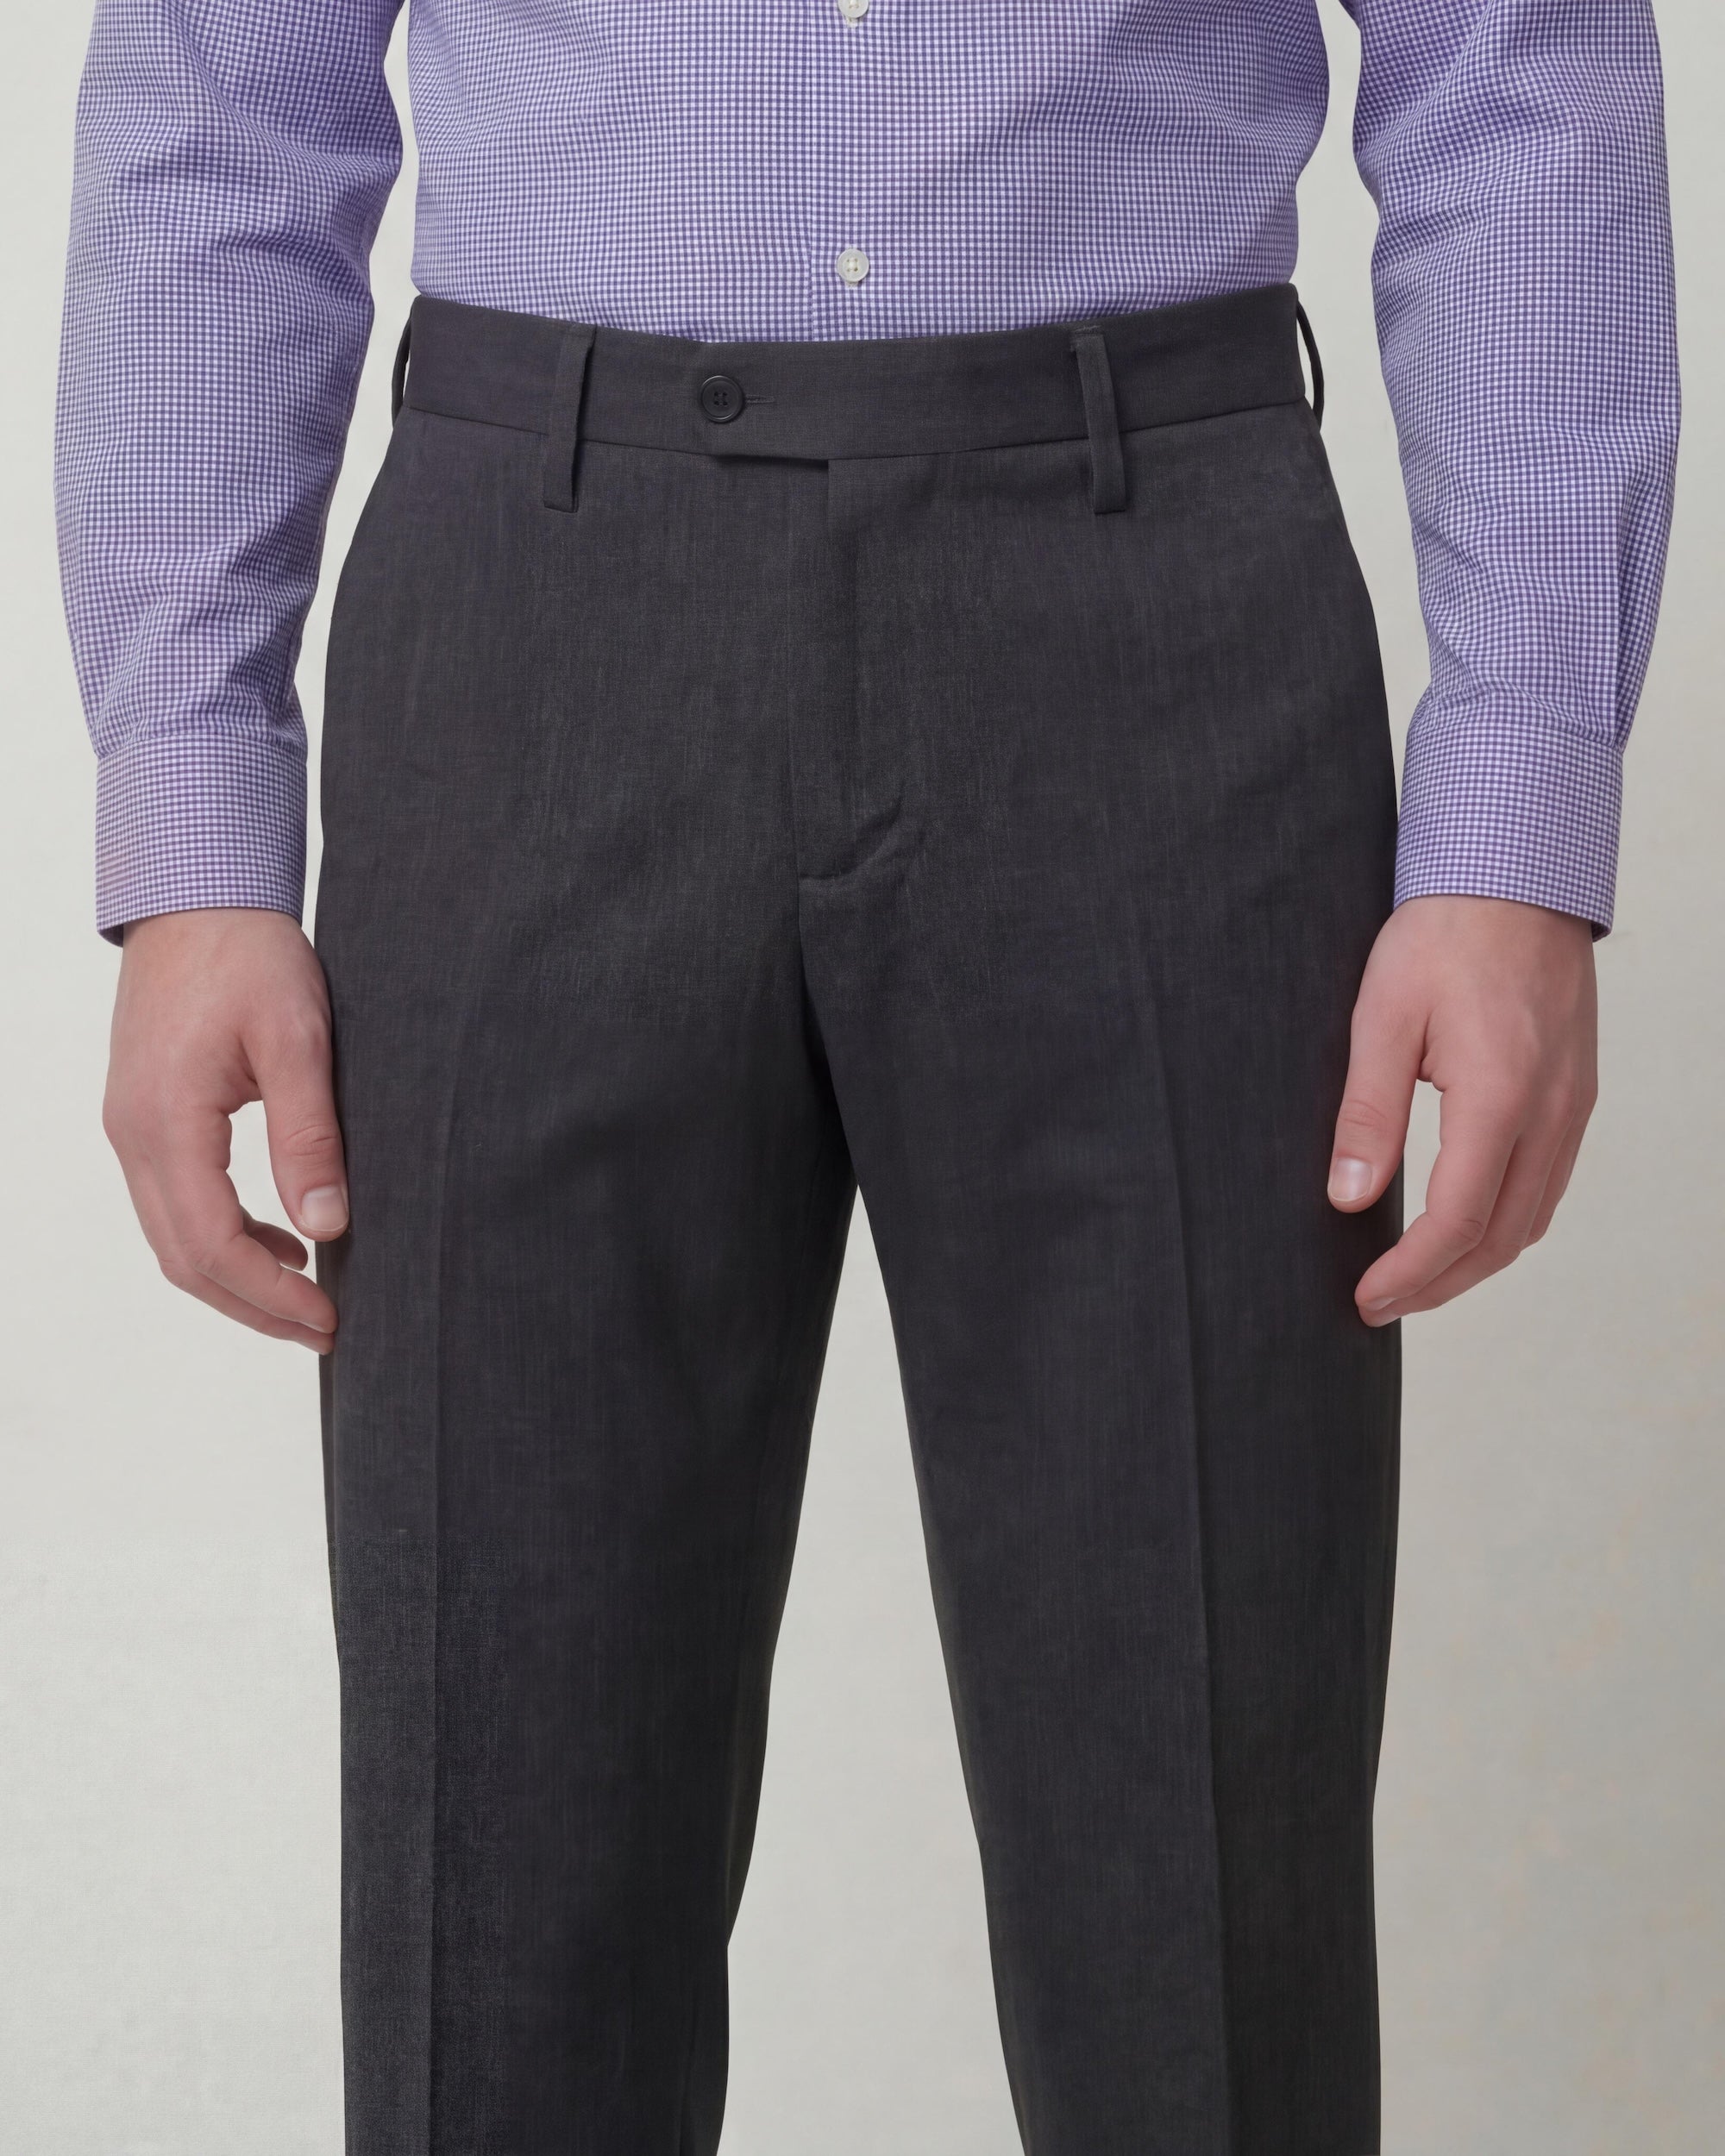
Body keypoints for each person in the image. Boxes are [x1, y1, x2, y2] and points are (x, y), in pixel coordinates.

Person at [56, 2, 1678, 2149]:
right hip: (538, 616)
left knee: (1195, 1909)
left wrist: (1517, 818)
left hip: (1155, 624)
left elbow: (1518, 67)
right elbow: (220, 97)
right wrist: (192, 829)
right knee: (502, 1877)